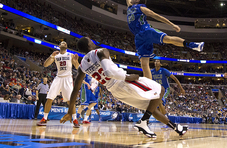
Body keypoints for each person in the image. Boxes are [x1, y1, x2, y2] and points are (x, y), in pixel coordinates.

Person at [60, 37, 188, 138]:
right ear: (89, 45)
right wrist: (128, 77)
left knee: (151, 108)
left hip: (115, 91)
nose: (93, 41)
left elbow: (75, 89)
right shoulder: (100, 52)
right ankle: (143, 122)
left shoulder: (82, 65)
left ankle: (177, 128)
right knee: (160, 89)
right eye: (90, 40)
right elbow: (111, 73)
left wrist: (69, 111)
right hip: (123, 82)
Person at [123, 0, 204, 79]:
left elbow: (157, 16)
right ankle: (150, 89)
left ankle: (193, 45)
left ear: (138, 0)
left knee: (167, 39)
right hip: (138, 37)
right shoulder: (130, 6)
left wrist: (172, 25)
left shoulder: (141, 7)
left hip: (145, 30)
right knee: (144, 64)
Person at [37, 41, 80, 128]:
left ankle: (75, 119)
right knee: (49, 98)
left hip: (67, 78)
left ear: (66, 45)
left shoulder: (70, 55)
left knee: (70, 101)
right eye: (61, 42)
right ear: (59, 46)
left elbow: (77, 67)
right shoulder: (56, 55)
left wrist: (76, 61)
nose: (63, 43)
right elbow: (45, 65)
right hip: (58, 78)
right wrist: (51, 56)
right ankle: (44, 118)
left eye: (65, 42)